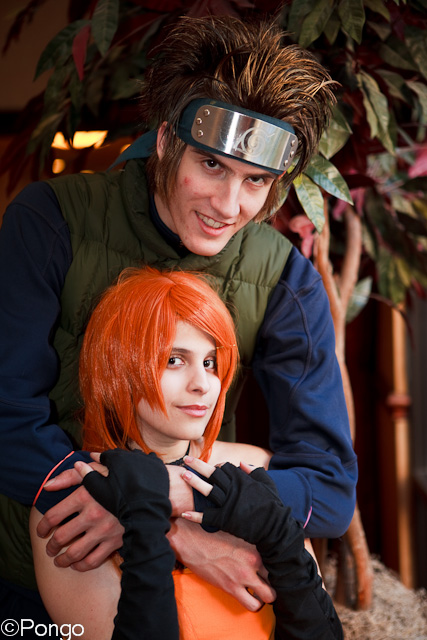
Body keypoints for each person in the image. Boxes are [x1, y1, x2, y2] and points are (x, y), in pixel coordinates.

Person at [0, 13, 357, 624]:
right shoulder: (49, 221)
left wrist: (175, 493)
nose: (228, 206)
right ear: (166, 141)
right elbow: (8, 418)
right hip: (33, 582)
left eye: (256, 181)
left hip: (201, 602)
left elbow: (328, 488)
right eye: (212, 166)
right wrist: (168, 527)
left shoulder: (287, 281)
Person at [31, 266, 343, 639]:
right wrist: (151, 523)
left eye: (210, 362)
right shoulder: (75, 502)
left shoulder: (255, 468)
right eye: (174, 360)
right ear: (118, 367)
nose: (203, 384)